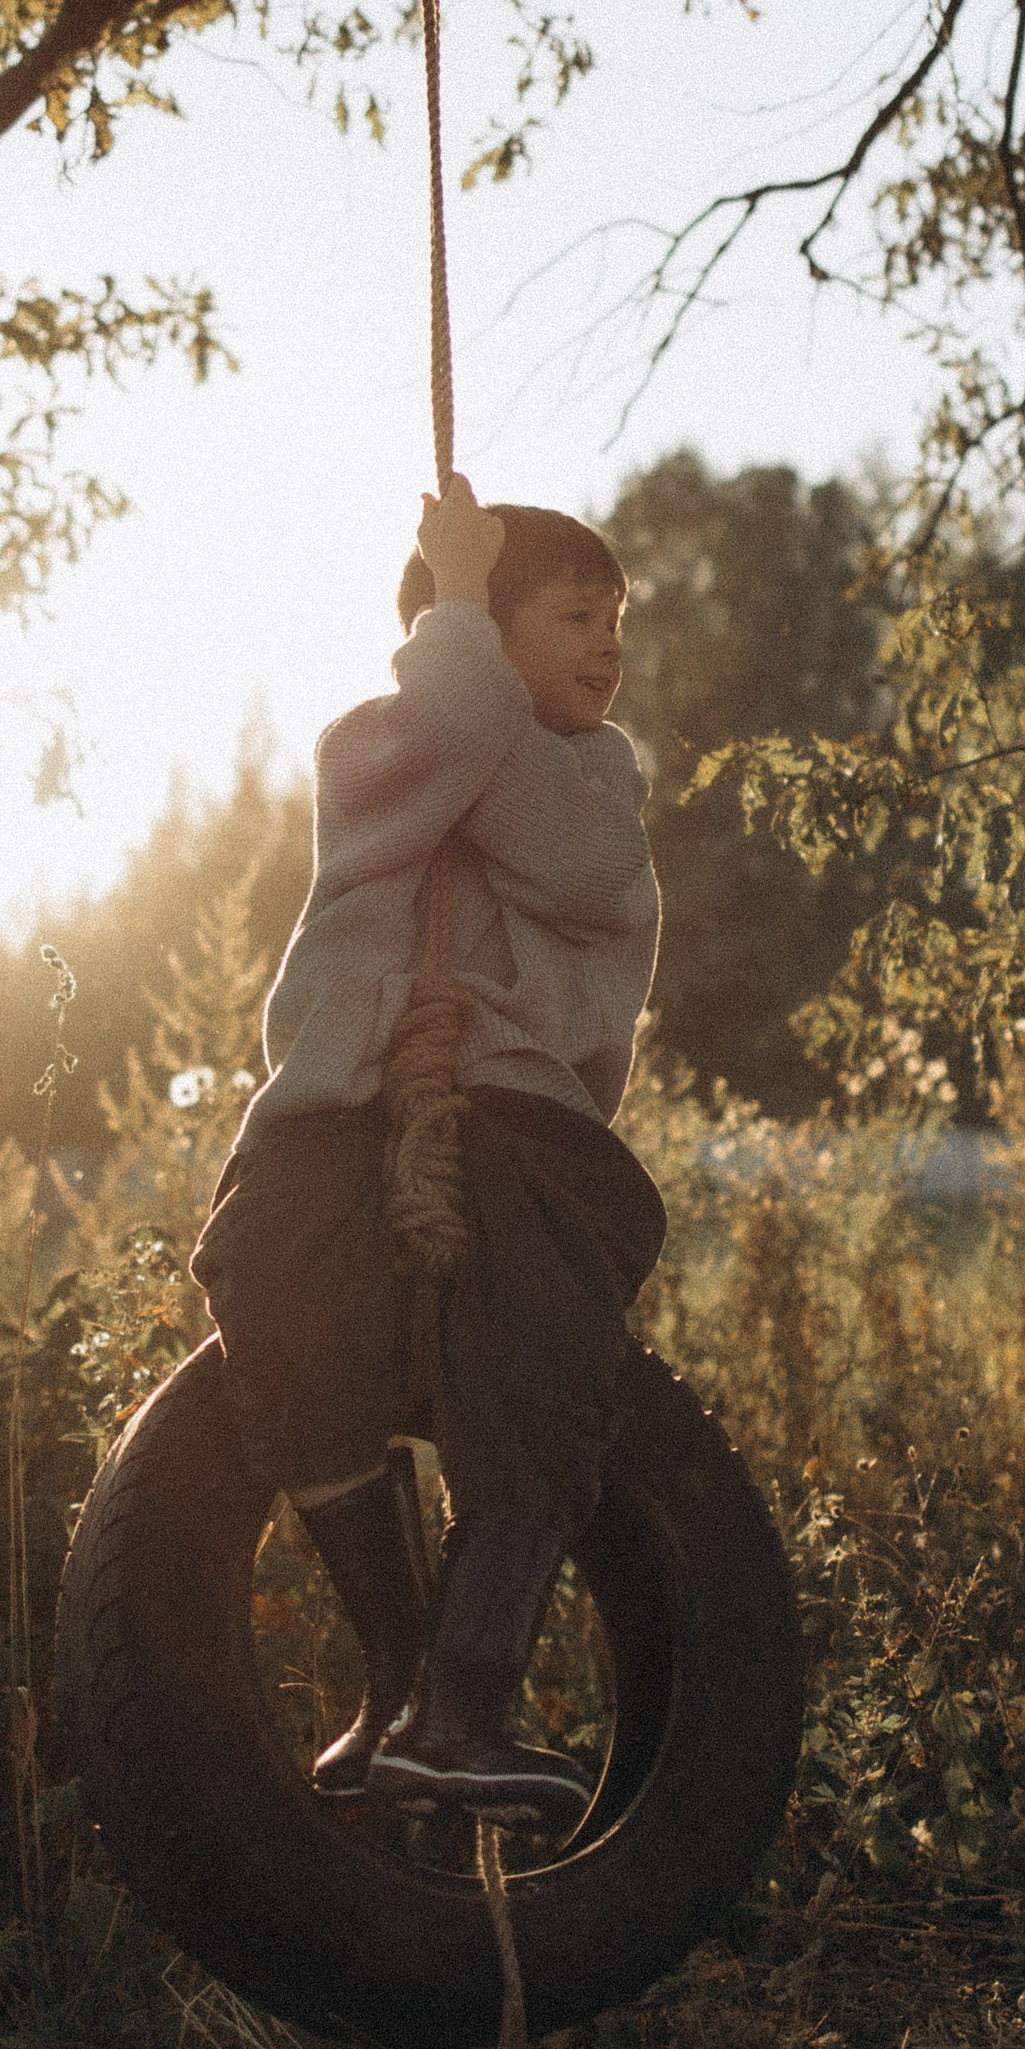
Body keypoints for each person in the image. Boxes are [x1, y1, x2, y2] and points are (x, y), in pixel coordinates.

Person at [189, 474, 664, 1832]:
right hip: (343, 1114)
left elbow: (567, 865)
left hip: (525, 1126)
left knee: (534, 1366)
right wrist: (455, 607)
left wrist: (468, 644)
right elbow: (438, 740)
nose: (610, 642)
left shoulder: (596, 777)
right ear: (467, 634)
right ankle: (401, 1688)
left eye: (617, 618)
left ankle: (467, 1702)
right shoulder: (370, 750)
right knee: (277, 1297)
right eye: (577, 613)